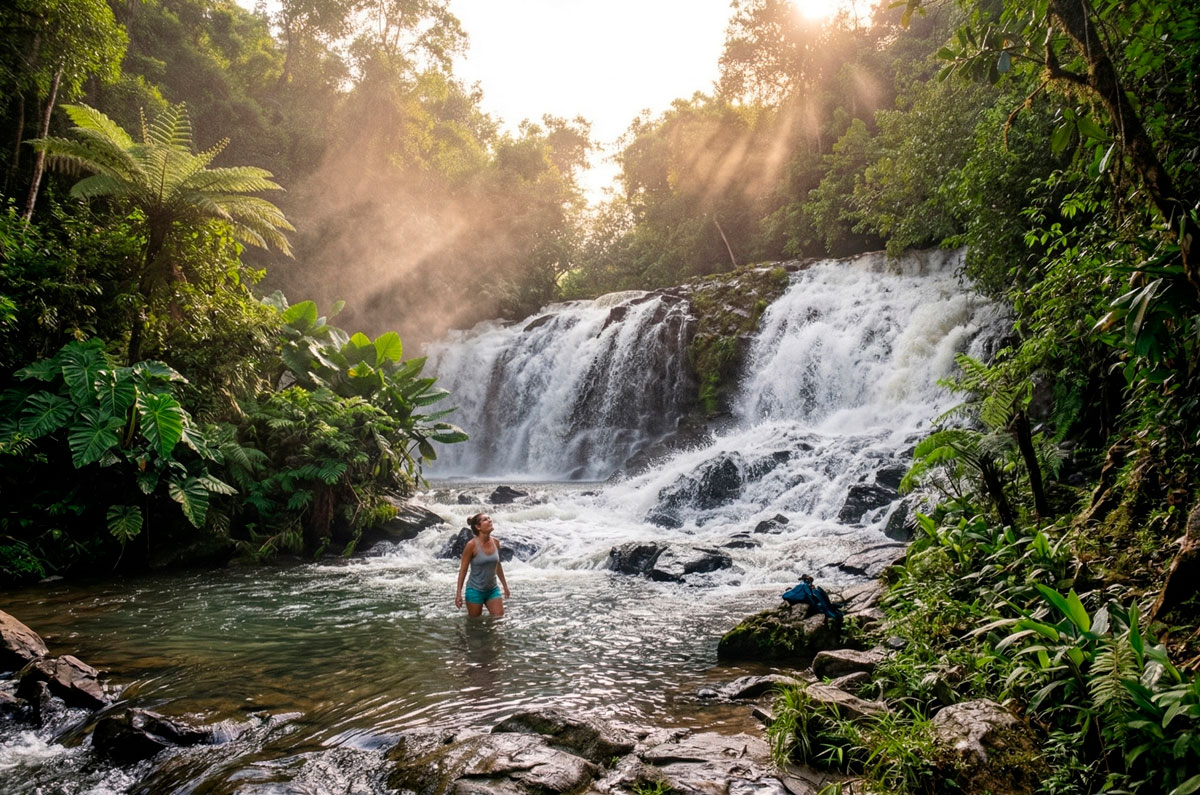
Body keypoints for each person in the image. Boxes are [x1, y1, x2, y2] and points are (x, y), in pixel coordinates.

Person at [455, 513, 511, 617]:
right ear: (478, 527)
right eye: (485, 519)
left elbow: (498, 565)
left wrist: (505, 586)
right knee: (475, 625)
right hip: (475, 591)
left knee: (499, 620)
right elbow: (463, 570)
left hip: (492, 590)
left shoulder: (496, 542)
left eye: (489, 518)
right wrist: (458, 593)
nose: (490, 520)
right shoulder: (471, 545)